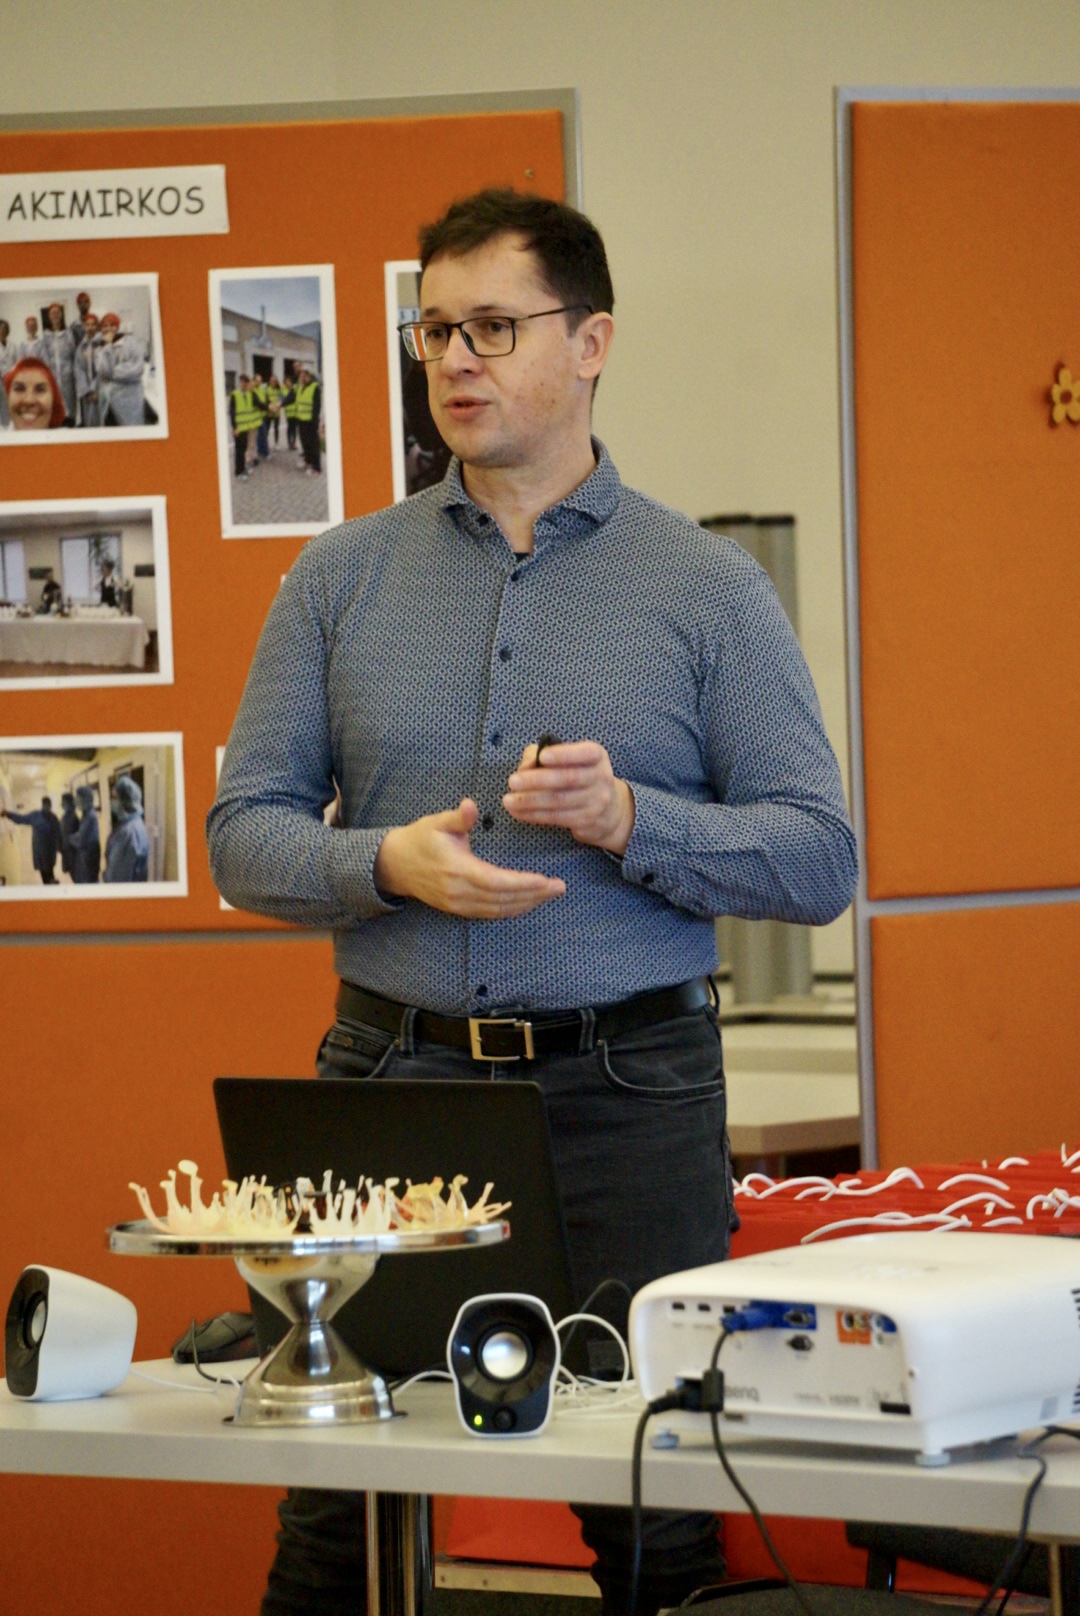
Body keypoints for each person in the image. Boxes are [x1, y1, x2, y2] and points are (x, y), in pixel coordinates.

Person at [208, 188, 857, 1616]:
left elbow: (819, 861)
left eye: (493, 327)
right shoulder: (336, 579)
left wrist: (631, 819)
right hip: (391, 1083)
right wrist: (385, 865)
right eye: (434, 329)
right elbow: (241, 839)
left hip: (630, 1094)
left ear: (593, 341)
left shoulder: (708, 590)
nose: (455, 359)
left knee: (655, 1516)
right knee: (333, 1513)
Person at [95, 313, 146, 426]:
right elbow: (103, 371)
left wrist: (112, 374)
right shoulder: (100, 348)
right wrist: (107, 346)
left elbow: (137, 369)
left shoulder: (131, 343)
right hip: (108, 401)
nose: (108, 329)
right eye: (104, 326)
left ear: (117, 327)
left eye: (112, 325)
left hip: (129, 400)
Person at [2, 796, 62, 884]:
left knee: (49, 871)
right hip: (41, 851)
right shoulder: (36, 816)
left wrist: (60, 848)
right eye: (46, 805)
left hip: (49, 851)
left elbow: (59, 834)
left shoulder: (53, 818)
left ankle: (51, 883)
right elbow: (21, 819)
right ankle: (50, 883)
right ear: (43, 805)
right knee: (45, 873)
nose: (47, 807)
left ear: (50, 805)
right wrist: (9, 814)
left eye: (48, 805)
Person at [103, 776, 149, 882]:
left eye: (115, 797)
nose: (111, 801)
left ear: (126, 801)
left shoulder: (128, 832)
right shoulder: (135, 823)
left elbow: (117, 879)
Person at [3, 357, 66, 431]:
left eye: (40, 390)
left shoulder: (71, 437)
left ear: (54, 401)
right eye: (19, 389)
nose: (29, 400)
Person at [39, 302, 77, 425]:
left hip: (67, 375)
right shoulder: (46, 335)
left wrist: (70, 370)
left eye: (57, 312)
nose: (55, 315)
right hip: (53, 375)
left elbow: (73, 354)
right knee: (54, 404)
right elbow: (44, 356)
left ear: (61, 315)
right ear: (49, 316)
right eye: (52, 313)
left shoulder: (68, 333)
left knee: (69, 406)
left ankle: (70, 424)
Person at [229, 374, 262, 479]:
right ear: (240, 382)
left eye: (246, 382)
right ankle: (238, 472)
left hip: (246, 428)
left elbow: (258, 404)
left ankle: (243, 468)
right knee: (239, 451)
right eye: (243, 382)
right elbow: (232, 413)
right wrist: (234, 428)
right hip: (238, 429)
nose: (245, 384)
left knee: (243, 450)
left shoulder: (249, 394)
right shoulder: (235, 394)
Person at [292, 361, 322, 474]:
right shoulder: (300, 387)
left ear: (309, 376)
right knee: (305, 443)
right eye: (301, 375)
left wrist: (315, 423)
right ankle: (307, 461)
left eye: (305, 375)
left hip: (310, 422)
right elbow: (291, 397)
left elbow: (316, 407)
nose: (303, 377)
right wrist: (280, 404)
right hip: (301, 420)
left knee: (313, 445)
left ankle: (316, 468)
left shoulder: (314, 387)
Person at [69, 784, 101, 883]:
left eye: (77, 798)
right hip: (86, 858)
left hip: (88, 860)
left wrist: (70, 838)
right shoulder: (86, 814)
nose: (75, 801)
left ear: (85, 799)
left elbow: (80, 840)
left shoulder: (90, 816)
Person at [75, 312, 102, 427]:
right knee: (89, 422)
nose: (90, 328)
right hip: (87, 393)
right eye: (87, 325)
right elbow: (79, 370)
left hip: (100, 391)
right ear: (84, 327)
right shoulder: (81, 347)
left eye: (93, 324)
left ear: (97, 326)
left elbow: (104, 369)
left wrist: (96, 390)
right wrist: (86, 390)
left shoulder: (103, 344)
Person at [59, 791, 79, 879]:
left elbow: (68, 837)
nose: (61, 804)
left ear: (67, 803)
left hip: (72, 855)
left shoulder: (71, 817)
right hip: (68, 853)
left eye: (63, 802)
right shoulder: (66, 816)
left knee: (76, 878)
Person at [0, 321, 16, 428]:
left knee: (13, 403)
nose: (2, 331)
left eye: (4, 329)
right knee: (3, 405)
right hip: (0, 380)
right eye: (0, 329)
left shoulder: (13, 346)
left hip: (12, 379)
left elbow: (17, 362)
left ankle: (13, 426)